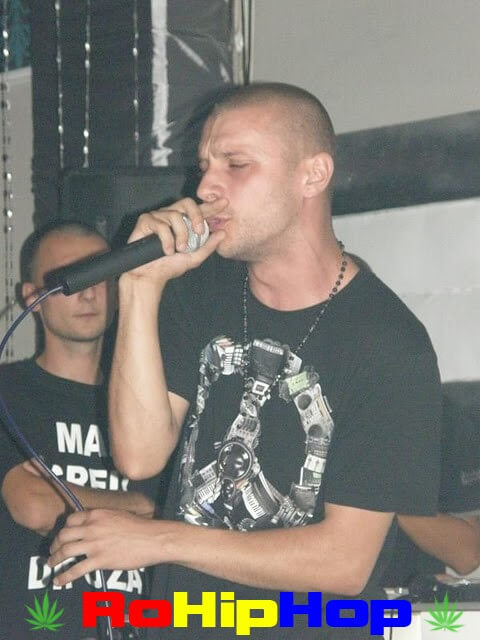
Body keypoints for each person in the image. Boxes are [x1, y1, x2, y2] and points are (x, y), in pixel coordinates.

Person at [49, 83, 443, 639]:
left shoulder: (388, 343)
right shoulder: (196, 293)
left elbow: (343, 563)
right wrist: (139, 286)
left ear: (313, 175)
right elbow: (138, 455)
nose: (205, 187)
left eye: (236, 165)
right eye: (204, 166)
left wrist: (158, 539)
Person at [0, 220, 159, 640]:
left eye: (99, 275)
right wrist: (143, 508)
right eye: (71, 279)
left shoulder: (151, 406)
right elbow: (34, 506)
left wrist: (70, 497)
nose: (88, 292)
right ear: (32, 297)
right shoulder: (8, 393)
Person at [383, 391, 480, 586]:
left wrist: (376, 496)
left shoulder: (441, 417)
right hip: (327, 587)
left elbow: (467, 555)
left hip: (406, 592)